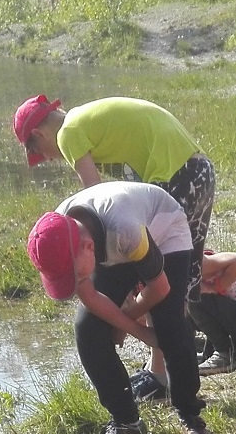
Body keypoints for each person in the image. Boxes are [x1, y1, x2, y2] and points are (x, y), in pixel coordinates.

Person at [13, 94, 218, 397]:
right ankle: (183, 356)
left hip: (174, 175)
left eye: (40, 153)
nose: (49, 159)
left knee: (153, 272)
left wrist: (122, 317)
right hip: (199, 170)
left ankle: (160, 374)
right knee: (184, 273)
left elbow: (98, 196)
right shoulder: (84, 120)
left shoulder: (69, 133)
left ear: (39, 134)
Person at [24, 181, 213, 434]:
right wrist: (130, 328)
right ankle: (126, 421)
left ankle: (191, 418)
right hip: (119, 242)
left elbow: (159, 288)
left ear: (89, 247)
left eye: (74, 275)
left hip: (164, 231)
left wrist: (130, 322)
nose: (74, 282)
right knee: (88, 329)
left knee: (170, 324)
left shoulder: (124, 229)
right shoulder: (59, 233)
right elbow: (91, 298)